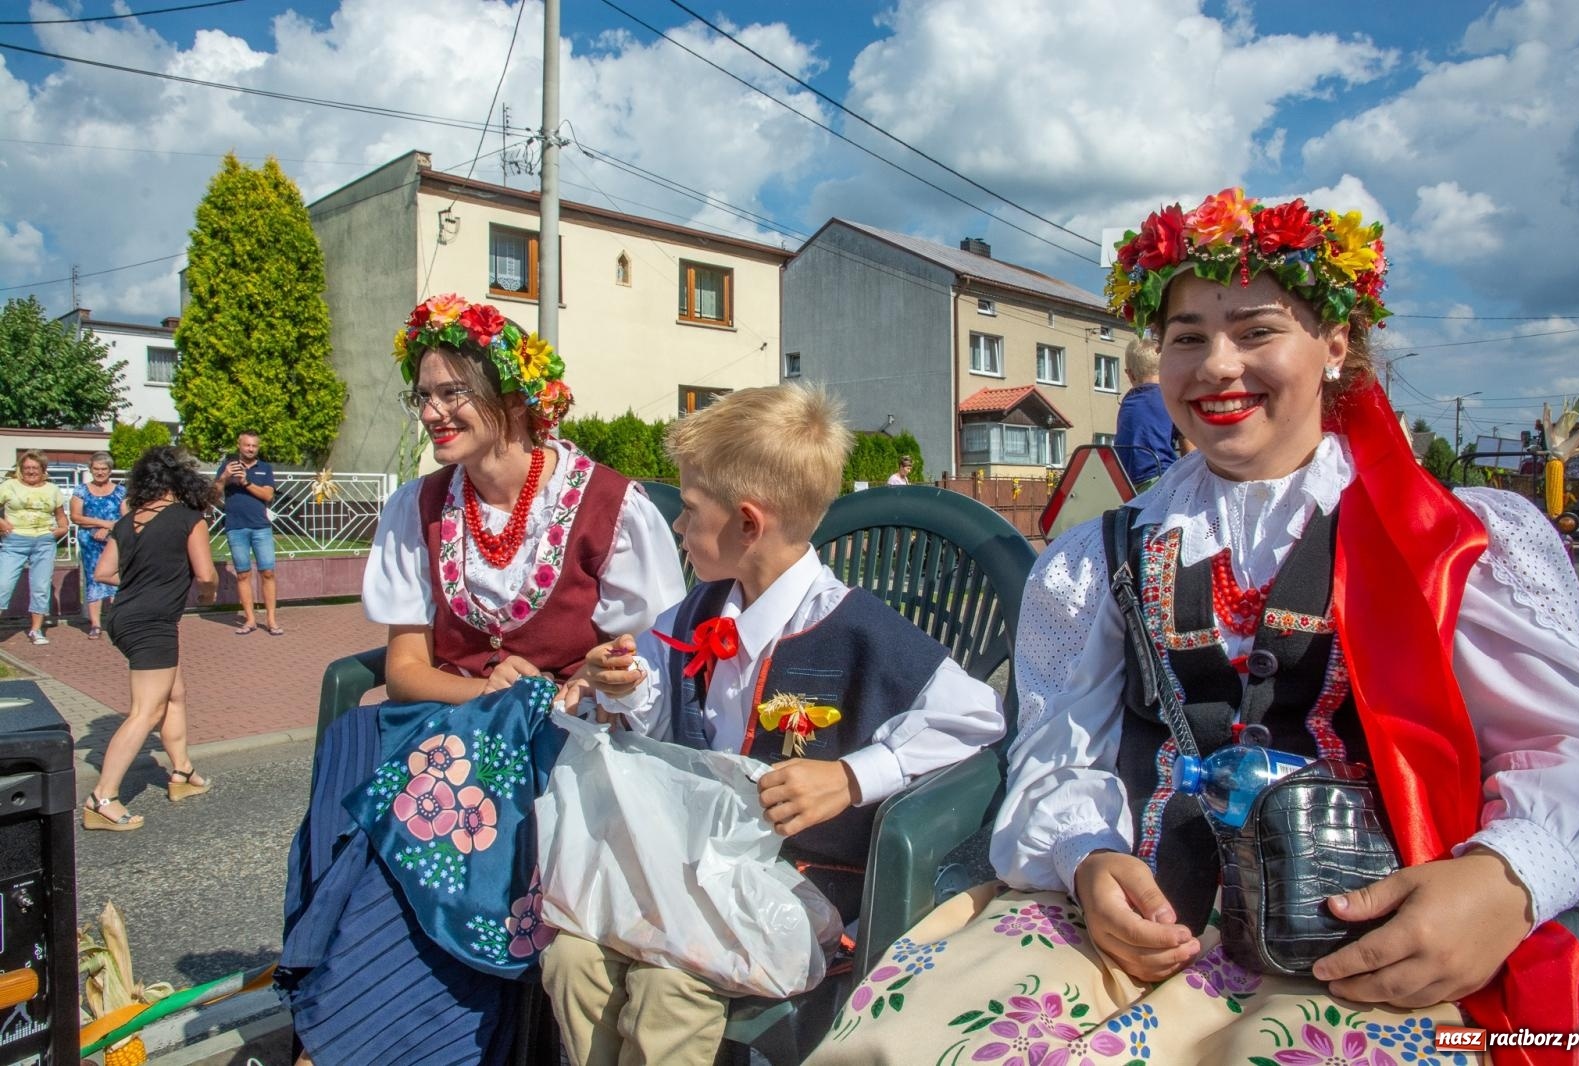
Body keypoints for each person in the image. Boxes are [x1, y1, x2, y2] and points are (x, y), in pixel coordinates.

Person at [807, 189, 1579, 1065]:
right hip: (1134, 932)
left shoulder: (1452, 539)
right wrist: (1088, 860)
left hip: (1372, 939)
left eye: (1258, 331)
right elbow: (1058, 752)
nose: (1218, 365)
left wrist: (1503, 879)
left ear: (1336, 345)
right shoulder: (1100, 556)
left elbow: (1566, 750)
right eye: (1188, 337)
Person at [546, 384, 1006, 1066]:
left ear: (749, 523)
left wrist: (853, 776)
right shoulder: (697, 611)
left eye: (691, 511)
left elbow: (976, 715)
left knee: (669, 991)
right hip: (691, 872)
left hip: (798, 890)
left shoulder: (857, 629)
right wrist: (619, 684)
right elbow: (650, 694)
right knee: (571, 958)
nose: (678, 527)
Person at [278, 294, 684, 1066]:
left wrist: (563, 692)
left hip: (572, 735)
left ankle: (370, 1029)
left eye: (451, 392)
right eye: (423, 394)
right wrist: (497, 693)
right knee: (370, 754)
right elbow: (403, 671)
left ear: (512, 397)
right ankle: (354, 1024)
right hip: (449, 723)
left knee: (416, 797)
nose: (432, 411)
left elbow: (648, 666)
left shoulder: (608, 505)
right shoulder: (419, 506)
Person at [84, 447, 219, 831]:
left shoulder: (127, 523)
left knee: (174, 694)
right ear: (182, 480)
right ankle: (102, 798)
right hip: (153, 623)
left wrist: (144, 580)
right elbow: (206, 574)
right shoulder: (189, 519)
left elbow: (105, 572)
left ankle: (181, 773)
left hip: (124, 617)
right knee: (146, 711)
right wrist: (207, 595)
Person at [214, 430, 280, 636]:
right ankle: (250, 620)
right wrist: (224, 477)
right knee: (243, 574)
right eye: (247, 445)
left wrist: (246, 482)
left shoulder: (265, 468)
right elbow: (214, 495)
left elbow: (268, 495)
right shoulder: (227, 468)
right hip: (236, 527)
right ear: (239, 445)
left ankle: (271, 620)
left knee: (267, 572)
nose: (250, 449)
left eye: (254, 446)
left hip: (261, 527)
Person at [0, 450, 68, 645]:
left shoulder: (52, 489)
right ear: (21, 469)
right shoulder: (8, 486)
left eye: (35, 468)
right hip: (14, 541)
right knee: (3, 584)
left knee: (40, 586)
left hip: (44, 542)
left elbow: (60, 515)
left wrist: (62, 529)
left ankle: (36, 630)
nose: (30, 471)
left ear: (43, 470)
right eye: (27, 468)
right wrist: (2, 523)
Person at [71, 451, 127, 638]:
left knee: (115, 577)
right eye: (96, 469)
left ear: (110, 470)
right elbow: (76, 516)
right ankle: (95, 624)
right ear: (90, 469)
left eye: (104, 469)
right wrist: (103, 524)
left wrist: (110, 530)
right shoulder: (81, 490)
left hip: (114, 540)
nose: (100, 472)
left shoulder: (120, 491)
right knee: (93, 578)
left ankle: (117, 620)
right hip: (90, 542)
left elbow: (126, 518)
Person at [1114, 336, 1178, 491]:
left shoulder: (1128, 401)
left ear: (1130, 374)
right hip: (1160, 477)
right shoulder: (1170, 398)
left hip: (1125, 479)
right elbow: (1190, 451)